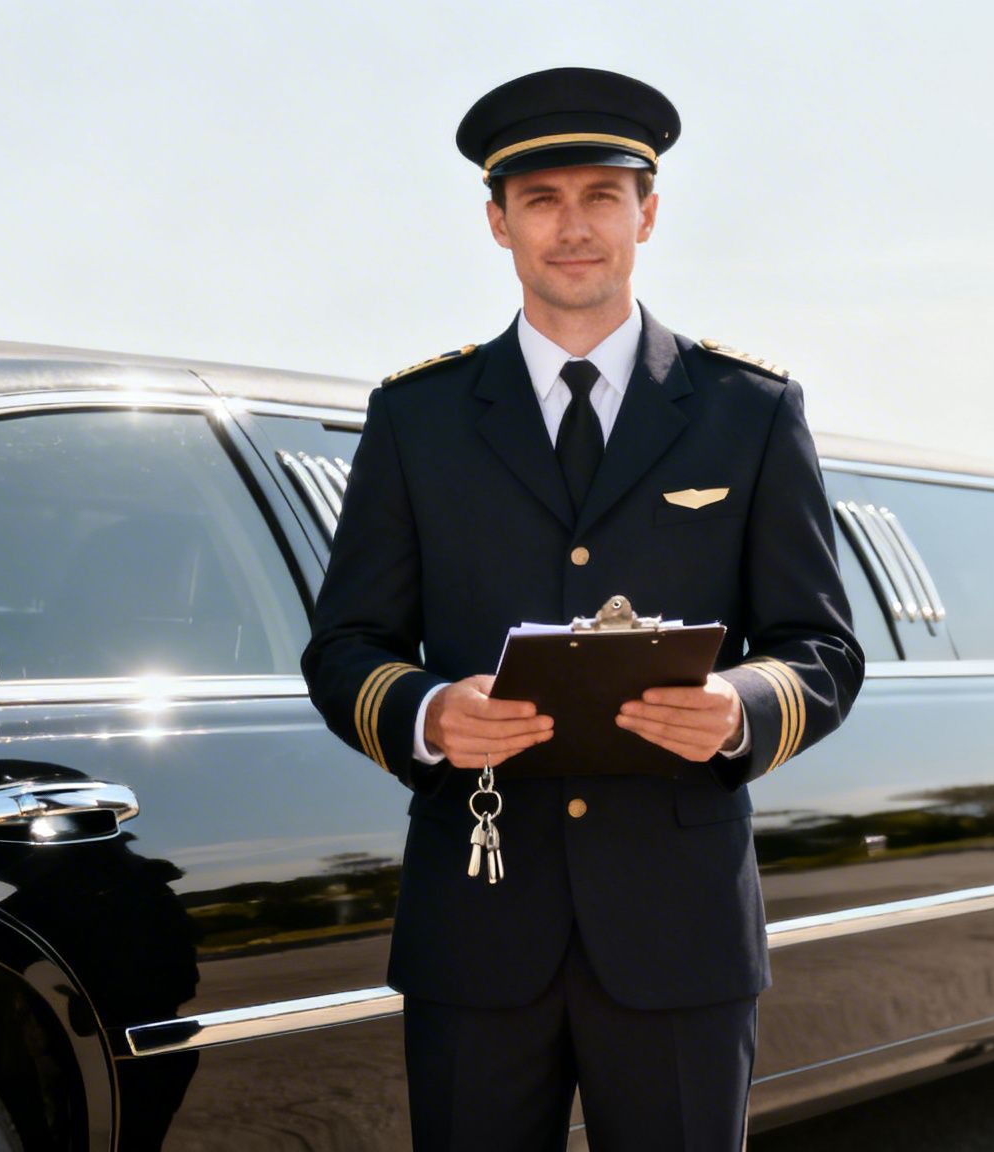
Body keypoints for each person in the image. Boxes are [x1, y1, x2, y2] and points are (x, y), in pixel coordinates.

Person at [301, 66, 863, 1151]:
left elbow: (820, 646)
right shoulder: (415, 418)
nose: (573, 227)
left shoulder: (747, 411)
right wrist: (426, 713)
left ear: (646, 213)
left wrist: (739, 707)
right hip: (477, 921)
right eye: (542, 200)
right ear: (496, 223)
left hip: (678, 929)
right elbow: (346, 646)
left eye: (600, 196)